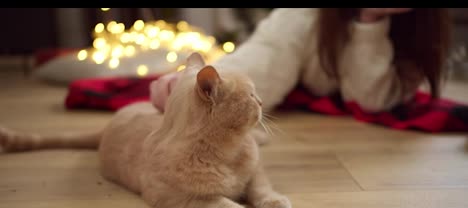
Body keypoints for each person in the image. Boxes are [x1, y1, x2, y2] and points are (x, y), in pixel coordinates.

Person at [151, 8, 451, 114]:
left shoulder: (424, 32)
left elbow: (370, 101)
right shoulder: (302, 17)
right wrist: (209, 88)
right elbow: (261, 62)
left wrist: (371, 20)